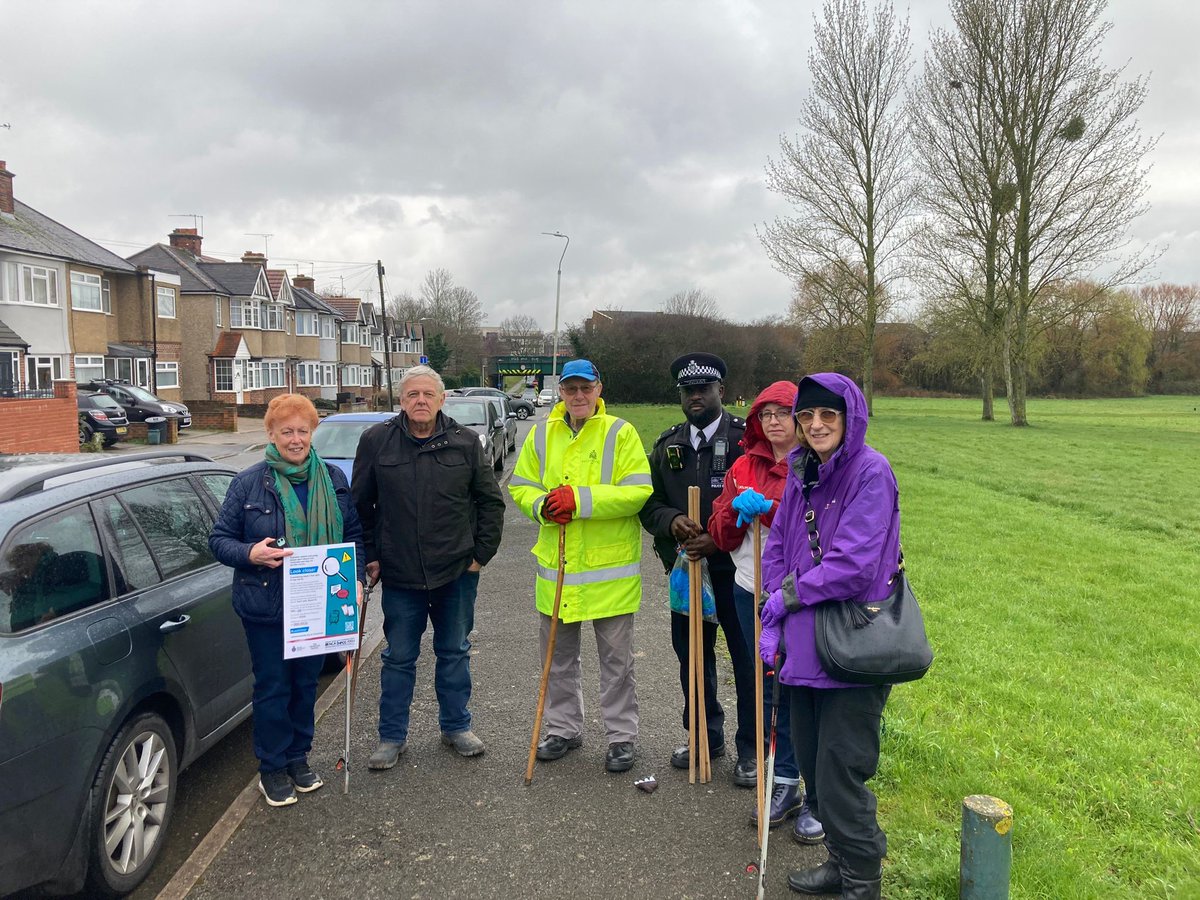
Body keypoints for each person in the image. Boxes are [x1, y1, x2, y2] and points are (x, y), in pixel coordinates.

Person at [758, 374, 900, 900]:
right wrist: (773, 606)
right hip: (804, 646)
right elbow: (778, 542)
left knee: (842, 774)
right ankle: (840, 864)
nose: (816, 425)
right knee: (816, 772)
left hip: (850, 647)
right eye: (808, 417)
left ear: (849, 419)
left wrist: (789, 596)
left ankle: (863, 881)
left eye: (828, 416)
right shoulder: (803, 471)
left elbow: (854, 565)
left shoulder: (871, 472)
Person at [210, 393, 365, 808]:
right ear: (271, 434)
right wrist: (250, 553)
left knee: (304, 685)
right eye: (286, 432)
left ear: (312, 433)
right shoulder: (248, 482)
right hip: (266, 607)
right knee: (273, 687)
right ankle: (272, 768)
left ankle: (299, 758)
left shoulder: (332, 479)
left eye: (302, 431)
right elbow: (219, 540)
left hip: (319, 604)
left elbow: (352, 534)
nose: (295, 440)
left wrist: (357, 575)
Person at [351, 365, 505, 769]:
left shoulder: (466, 443)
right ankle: (391, 736)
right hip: (400, 576)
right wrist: (369, 554)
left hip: (455, 572)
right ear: (401, 401)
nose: (420, 401)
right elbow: (360, 505)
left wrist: (480, 556)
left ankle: (456, 726)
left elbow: (490, 502)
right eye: (412, 394)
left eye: (428, 395)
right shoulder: (376, 442)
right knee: (398, 657)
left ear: (442, 400)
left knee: (454, 651)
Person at [508, 359, 652, 773]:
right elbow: (521, 485)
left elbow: (638, 490)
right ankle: (563, 729)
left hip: (610, 573)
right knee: (557, 660)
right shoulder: (540, 434)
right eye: (570, 389)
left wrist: (580, 501)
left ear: (598, 388)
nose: (578, 396)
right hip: (558, 568)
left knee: (617, 664)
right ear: (561, 392)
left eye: (585, 388)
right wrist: (542, 507)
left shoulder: (620, 433)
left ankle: (622, 737)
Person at [708, 381, 825, 842]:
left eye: (783, 412)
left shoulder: (814, 466)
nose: (774, 420)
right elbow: (719, 534)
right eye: (766, 413)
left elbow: (813, 532)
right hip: (747, 589)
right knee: (764, 688)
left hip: (797, 597)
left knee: (800, 691)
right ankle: (783, 782)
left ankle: (811, 789)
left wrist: (772, 510)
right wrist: (734, 514)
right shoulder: (742, 466)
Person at [639, 352, 758, 787]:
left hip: (738, 572)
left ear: (720, 392)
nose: (694, 397)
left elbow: (759, 500)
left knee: (747, 659)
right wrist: (672, 520)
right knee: (692, 658)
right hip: (687, 571)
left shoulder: (746, 440)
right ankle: (705, 737)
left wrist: (719, 536)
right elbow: (647, 503)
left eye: (703, 389)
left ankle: (751, 748)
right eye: (687, 391)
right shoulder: (668, 444)